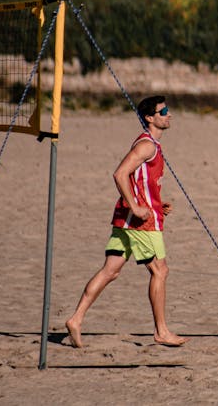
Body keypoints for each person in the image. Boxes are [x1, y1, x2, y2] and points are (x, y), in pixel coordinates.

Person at [65, 95, 188, 348]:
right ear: (150, 118)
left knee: (111, 270)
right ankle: (161, 331)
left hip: (130, 216)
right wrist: (136, 206)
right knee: (160, 271)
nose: (169, 114)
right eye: (163, 111)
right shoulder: (146, 146)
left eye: (168, 110)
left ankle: (75, 319)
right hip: (138, 220)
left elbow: (141, 181)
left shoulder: (152, 145)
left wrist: (156, 202)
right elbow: (119, 174)